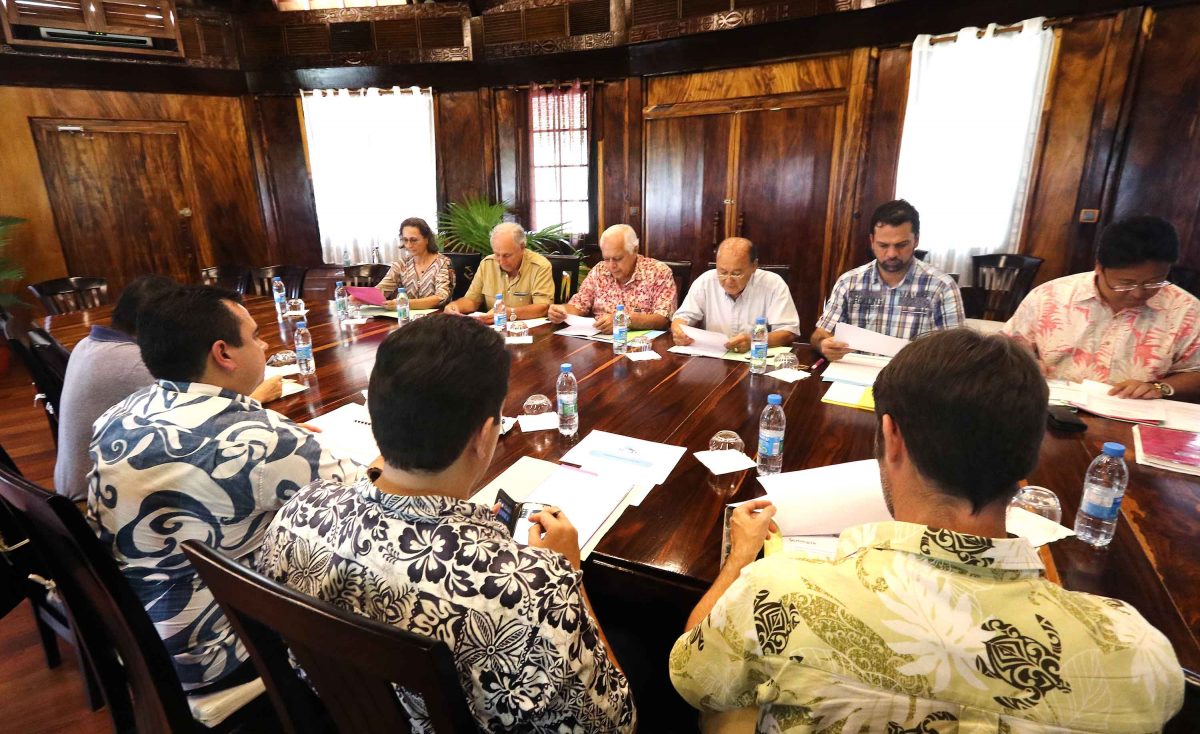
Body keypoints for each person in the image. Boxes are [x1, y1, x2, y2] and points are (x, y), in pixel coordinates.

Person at [670, 329, 1183, 732]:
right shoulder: (1137, 651)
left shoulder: (778, 593)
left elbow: (694, 678)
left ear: (891, 436)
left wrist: (740, 559)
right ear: (1030, 456)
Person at [258, 315, 635, 732]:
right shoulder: (532, 589)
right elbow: (616, 725)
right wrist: (569, 578)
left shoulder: (298, 512)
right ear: (485, 435)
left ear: (376, 414)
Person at [87, 285, 360, 693]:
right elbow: (366, 499)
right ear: (223, 353)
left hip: (134, 630)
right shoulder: (263, 441)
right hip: (218, 649)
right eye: (255, 336)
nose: (264, 345)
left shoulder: (119, 414)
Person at [55, 277, 285, 501]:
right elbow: (197, 419)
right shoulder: (134, 362)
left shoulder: (86, 344)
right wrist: (255, 397)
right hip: (98, 493)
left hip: (90, 482)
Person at [1003, 215, 1200, 400]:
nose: (1138, 293)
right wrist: (1027, 364)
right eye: (1125, 283)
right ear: (1099, 267)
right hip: (1053, 405)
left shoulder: (1186, 310)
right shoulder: (1049, 296)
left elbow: (1196, 373)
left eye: (1154, 282)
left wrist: (1159, 387)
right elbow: (1006, 348)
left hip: (1133, 413)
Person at [812, 199, 963, 361]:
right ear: (872, 241)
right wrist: (823, 344)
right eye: (883, 245)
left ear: (916, 240)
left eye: (901, 245)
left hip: (914, 372)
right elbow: (820, 334)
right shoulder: (849, 282)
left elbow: (956, 350)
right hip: (857, 370)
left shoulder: (941, 287)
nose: (892, 254)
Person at [671, 237, 799, 353]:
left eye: (736, 274)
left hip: (756, 359)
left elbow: (788, 332)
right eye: (722, 272)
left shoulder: (773, 284)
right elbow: (682, 317)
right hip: (714, 357)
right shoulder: (706, 281)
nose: (728, 281)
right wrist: (679, 332)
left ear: (754, 266)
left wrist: (754, 340)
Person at [548, 224, 676, 333]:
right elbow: (579, 305)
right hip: (599, 342)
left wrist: (623, 320)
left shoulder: (658, 272)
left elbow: (663, 319)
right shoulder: (599, 270)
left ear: (635, 250)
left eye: (617, 259)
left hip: (642, 345)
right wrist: (562, 311)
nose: (611, 265)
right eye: (606, 259)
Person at [444, 221, 553, 323]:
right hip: (493, 329)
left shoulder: (540, 266)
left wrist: (509, 313)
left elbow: (543, 307)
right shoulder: (487, 264)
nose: (501, 261)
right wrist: (455, 306)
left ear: (522, 247)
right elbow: (472, 300)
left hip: (526, 330)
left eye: (507, 255)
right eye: (497, 254)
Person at [370, 217, 454, 309]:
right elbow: (381, 290)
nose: (409, 245)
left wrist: (404, 303)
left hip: (436, 316)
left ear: (427, 239)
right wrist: (361, 297)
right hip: (404, 315)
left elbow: (441, 297)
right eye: (405, 240)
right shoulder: (401, 264)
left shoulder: (442, 263)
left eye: (414, 240)